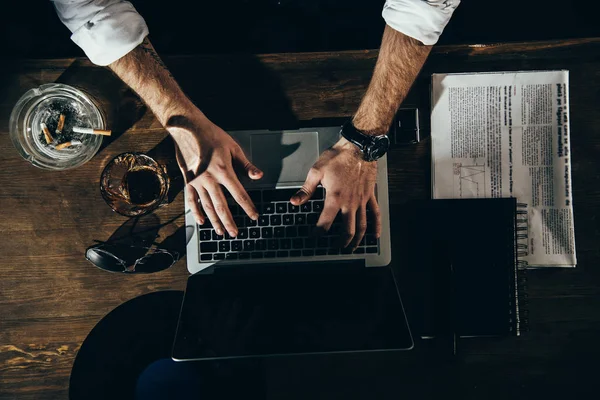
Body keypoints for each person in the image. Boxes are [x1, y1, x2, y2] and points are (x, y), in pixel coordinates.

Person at [52, 0, 459, 249]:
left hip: (342, 30)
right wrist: (180, 120)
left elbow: (423, 6)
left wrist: (364, 139)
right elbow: (90, 8)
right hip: (188, 38)